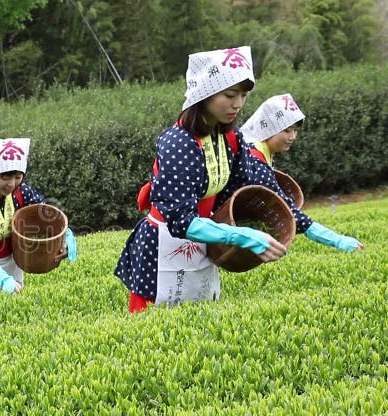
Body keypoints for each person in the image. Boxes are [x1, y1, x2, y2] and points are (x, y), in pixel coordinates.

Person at [116, 46, 311, 313]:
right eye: (230, 95)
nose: (238, 104)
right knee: (153, 329)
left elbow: (250, 187)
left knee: (200, 320)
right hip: (165, 244)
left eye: (243, 95)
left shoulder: (231, 138)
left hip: (205, 239)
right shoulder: (178, 142)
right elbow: (181, 220)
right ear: (204, 94)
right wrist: (239, 235)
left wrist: (311, 228)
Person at [241, 94, 363, 252]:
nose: (292, 137)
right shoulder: (255, 161)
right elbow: (286, 209)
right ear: (268, 128)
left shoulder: (254, 152)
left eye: (295, 130)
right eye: (286, 130)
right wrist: (337, 240)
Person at [0, 138, 77, 293]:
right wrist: (2, 278)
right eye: (5, 177)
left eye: (17, 176)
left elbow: (47, 212)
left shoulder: (21, 193)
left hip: (14, 262)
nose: (11, 184)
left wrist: (65, 235)